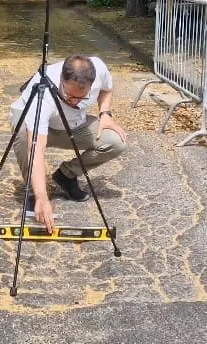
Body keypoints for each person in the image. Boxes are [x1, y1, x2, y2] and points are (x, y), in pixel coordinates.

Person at [8, 54, 127, 231]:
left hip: (72, 124)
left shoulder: (99, 68)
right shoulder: (44, 92)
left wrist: (105, 114)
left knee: (115, 141)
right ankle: (34, 192)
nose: (75, 102)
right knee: (25, 136)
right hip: (35, 125)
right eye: (69, 96)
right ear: (62, 80)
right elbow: (37, 150)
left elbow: (107, 90)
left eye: (82, 97)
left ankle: (66, 175)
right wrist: (42, 196)